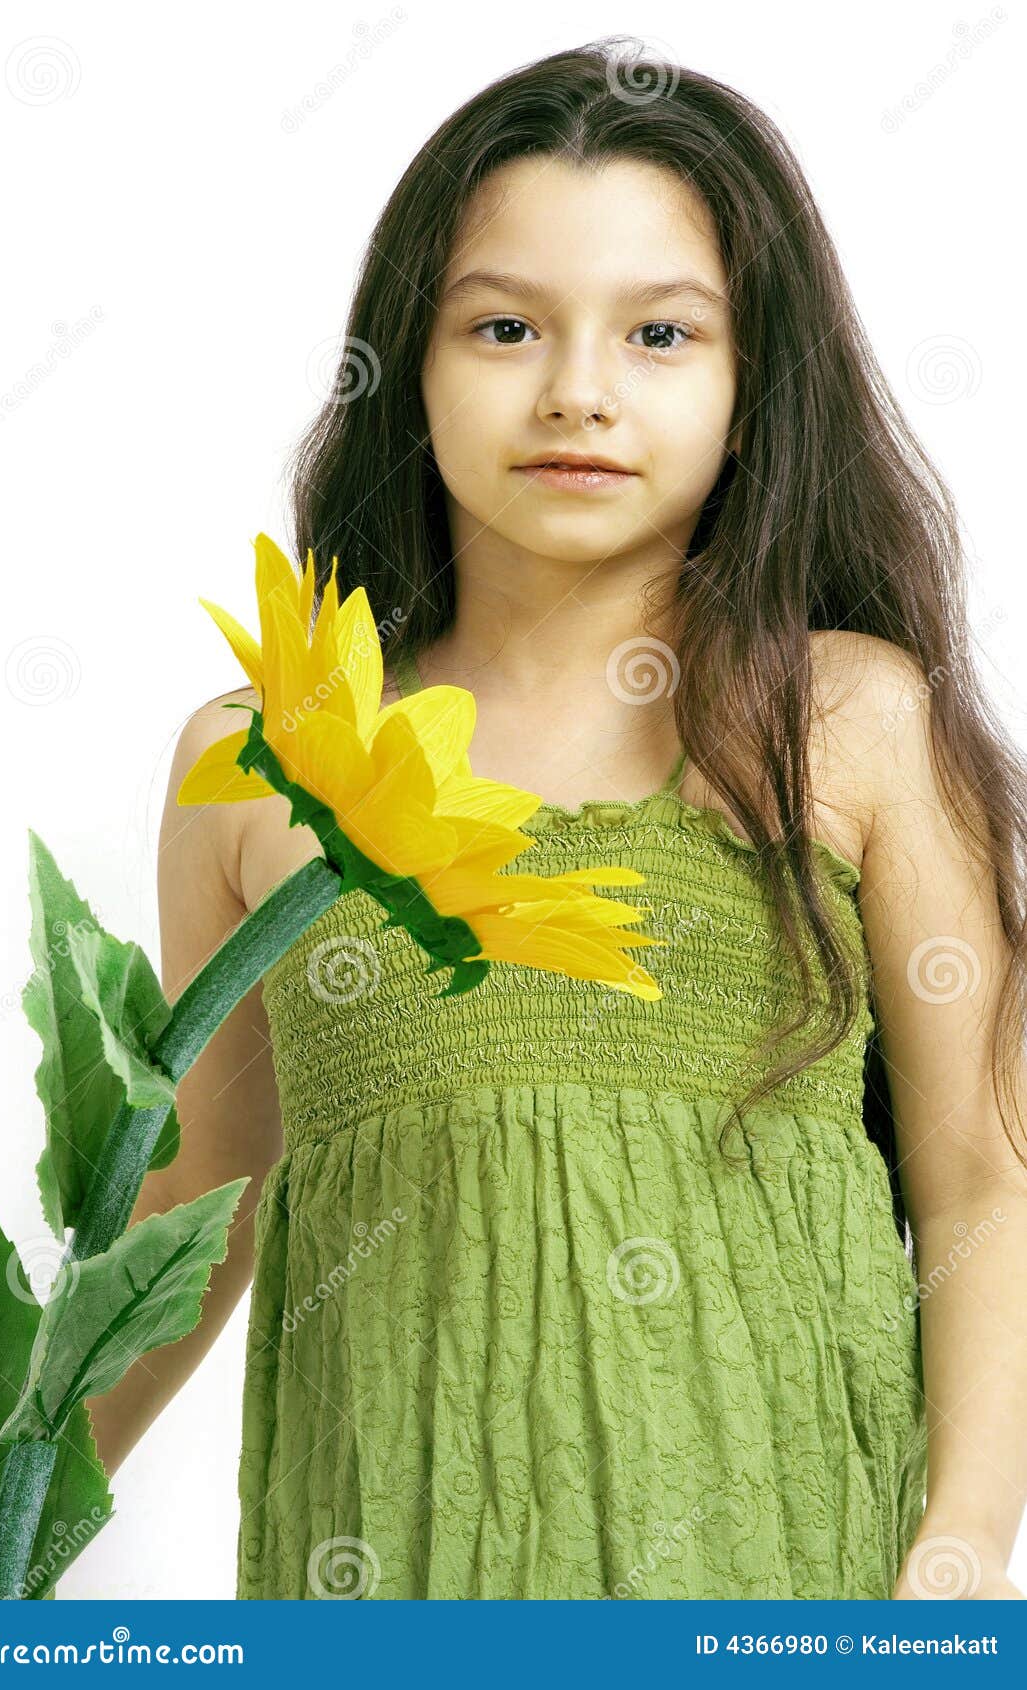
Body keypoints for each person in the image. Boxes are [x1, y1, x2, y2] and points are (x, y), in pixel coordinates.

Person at [89, 41, 1027, 1601]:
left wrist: (958, 1555)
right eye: (505, 325)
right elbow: (196, 1209)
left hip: (792, 1591)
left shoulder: (846, 724)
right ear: (408, 359)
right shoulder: (270, 765)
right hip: (384, 1580)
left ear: (753, 382)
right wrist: (5, 1497)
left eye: (662, 331)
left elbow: (985, 1182)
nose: (577, 389)